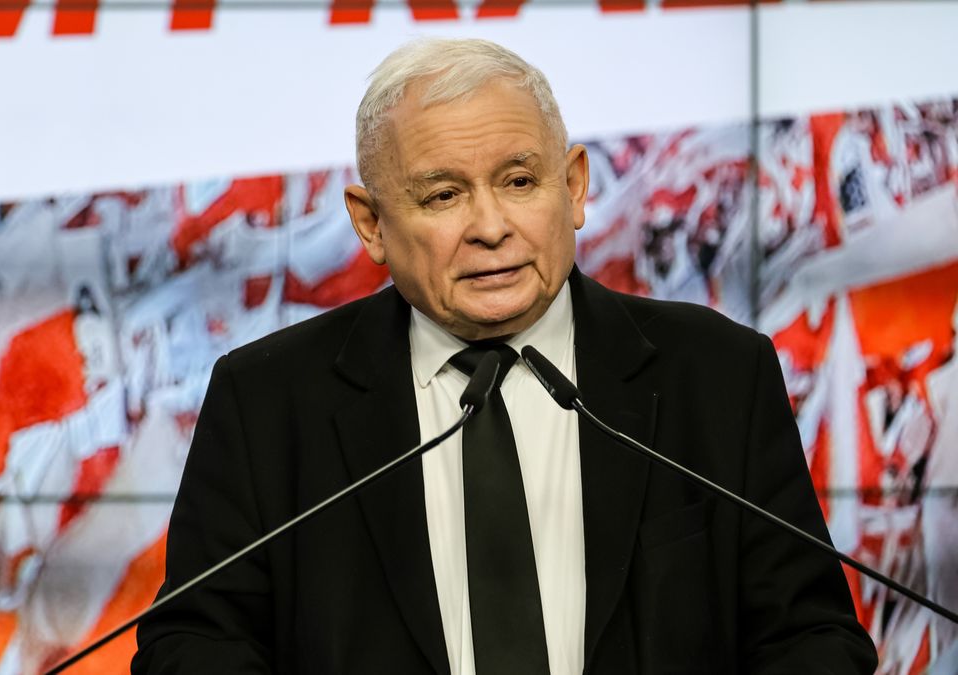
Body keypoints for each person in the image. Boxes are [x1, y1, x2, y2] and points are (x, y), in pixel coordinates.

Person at [132, 38, 877, 674]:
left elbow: (811, 637)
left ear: (574, 187)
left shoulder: (716, 374)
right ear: (371, 224)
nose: (491, 226)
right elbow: (194, 645)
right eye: (443, 195)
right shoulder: (267, 402)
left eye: (519, 182)